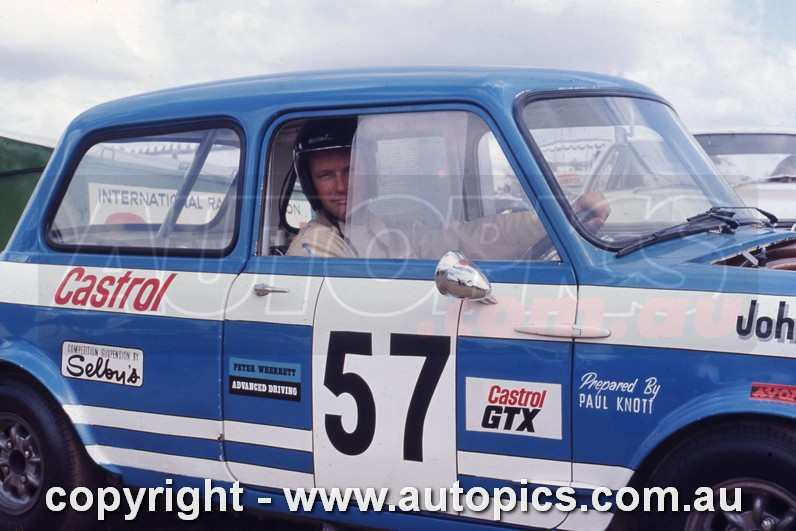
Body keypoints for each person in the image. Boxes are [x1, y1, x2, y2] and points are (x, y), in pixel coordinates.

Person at [286, 117, 610, 259]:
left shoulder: (384, 229)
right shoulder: (317, 247)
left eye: (351, 170)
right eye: (326, 175)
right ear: (310, 183)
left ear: (370, 172)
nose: (341, 185)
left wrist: (553, 222)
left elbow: (466, 239)